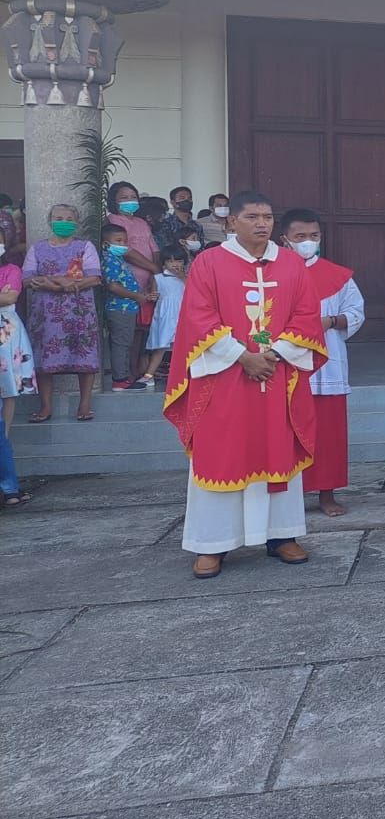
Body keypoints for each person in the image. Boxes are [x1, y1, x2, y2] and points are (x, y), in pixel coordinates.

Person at [168, 191, 326, 579]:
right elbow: (198, 318)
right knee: (222, 453)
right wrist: (243, 357)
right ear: (231, 222)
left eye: (268, 217)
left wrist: (273, 355)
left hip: (277, 376)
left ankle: (281, 535)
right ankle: (212, 543)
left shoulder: (291, 264)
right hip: (224, 381)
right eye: (252, 216)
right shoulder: (209, 263)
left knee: (278, 450)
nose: (262, 223)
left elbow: (307, 316)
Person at [282, 209, 366, 519]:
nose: (307, 242)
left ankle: (327, 493)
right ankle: (288, 493)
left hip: (328, 364)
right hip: (287, 364)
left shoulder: (339, 275)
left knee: (327, 433)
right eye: (300, 237)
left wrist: (330, 320)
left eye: (314, 237)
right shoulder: (273, 273)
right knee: (288, 432)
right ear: (285, 239)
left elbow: (356, 313)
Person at [24, 205, 102, 422]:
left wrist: (57, 282)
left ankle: (85, 404)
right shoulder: (37, 249)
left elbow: (95, 277)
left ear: (76, 222)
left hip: (79, 312)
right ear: (50, 221)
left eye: (69, 218)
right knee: (44, 356)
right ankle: (46, 406)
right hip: (46, 315)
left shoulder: (84, 247)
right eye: (59, 218)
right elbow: (28, 279)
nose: (64, 221)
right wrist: (60, 283)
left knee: (84, 352)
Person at [101, 222, 153, 391]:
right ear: (106, 244)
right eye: (119, 241)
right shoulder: (110, 261)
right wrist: (136, 296)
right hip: (119, 308)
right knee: (121, 343)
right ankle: (120, 379)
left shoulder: (118, 259)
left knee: (125, 342)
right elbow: (113, 286)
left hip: (127, 307)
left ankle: (123, 376)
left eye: (125, 241)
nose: (124, 245)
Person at [0, 239, 37, 431]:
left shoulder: (12, 269)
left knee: (8, 385)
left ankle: (3, 438)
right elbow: (3, 298)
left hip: (7, 332)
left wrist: (5, 297)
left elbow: (11, 297)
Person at [140, 246, 188, 385]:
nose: (175, 264)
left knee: (183, 346)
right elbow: (155, 295)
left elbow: (193, 291)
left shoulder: (187, 277)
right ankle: (149, 376)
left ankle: (184, 375)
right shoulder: (158, 278)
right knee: (161, 346)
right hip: (166, 315)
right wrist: (151, 296)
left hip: (182, 314)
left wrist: (182, 277)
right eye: (170, 261)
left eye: (178, 261)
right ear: (163, 264)